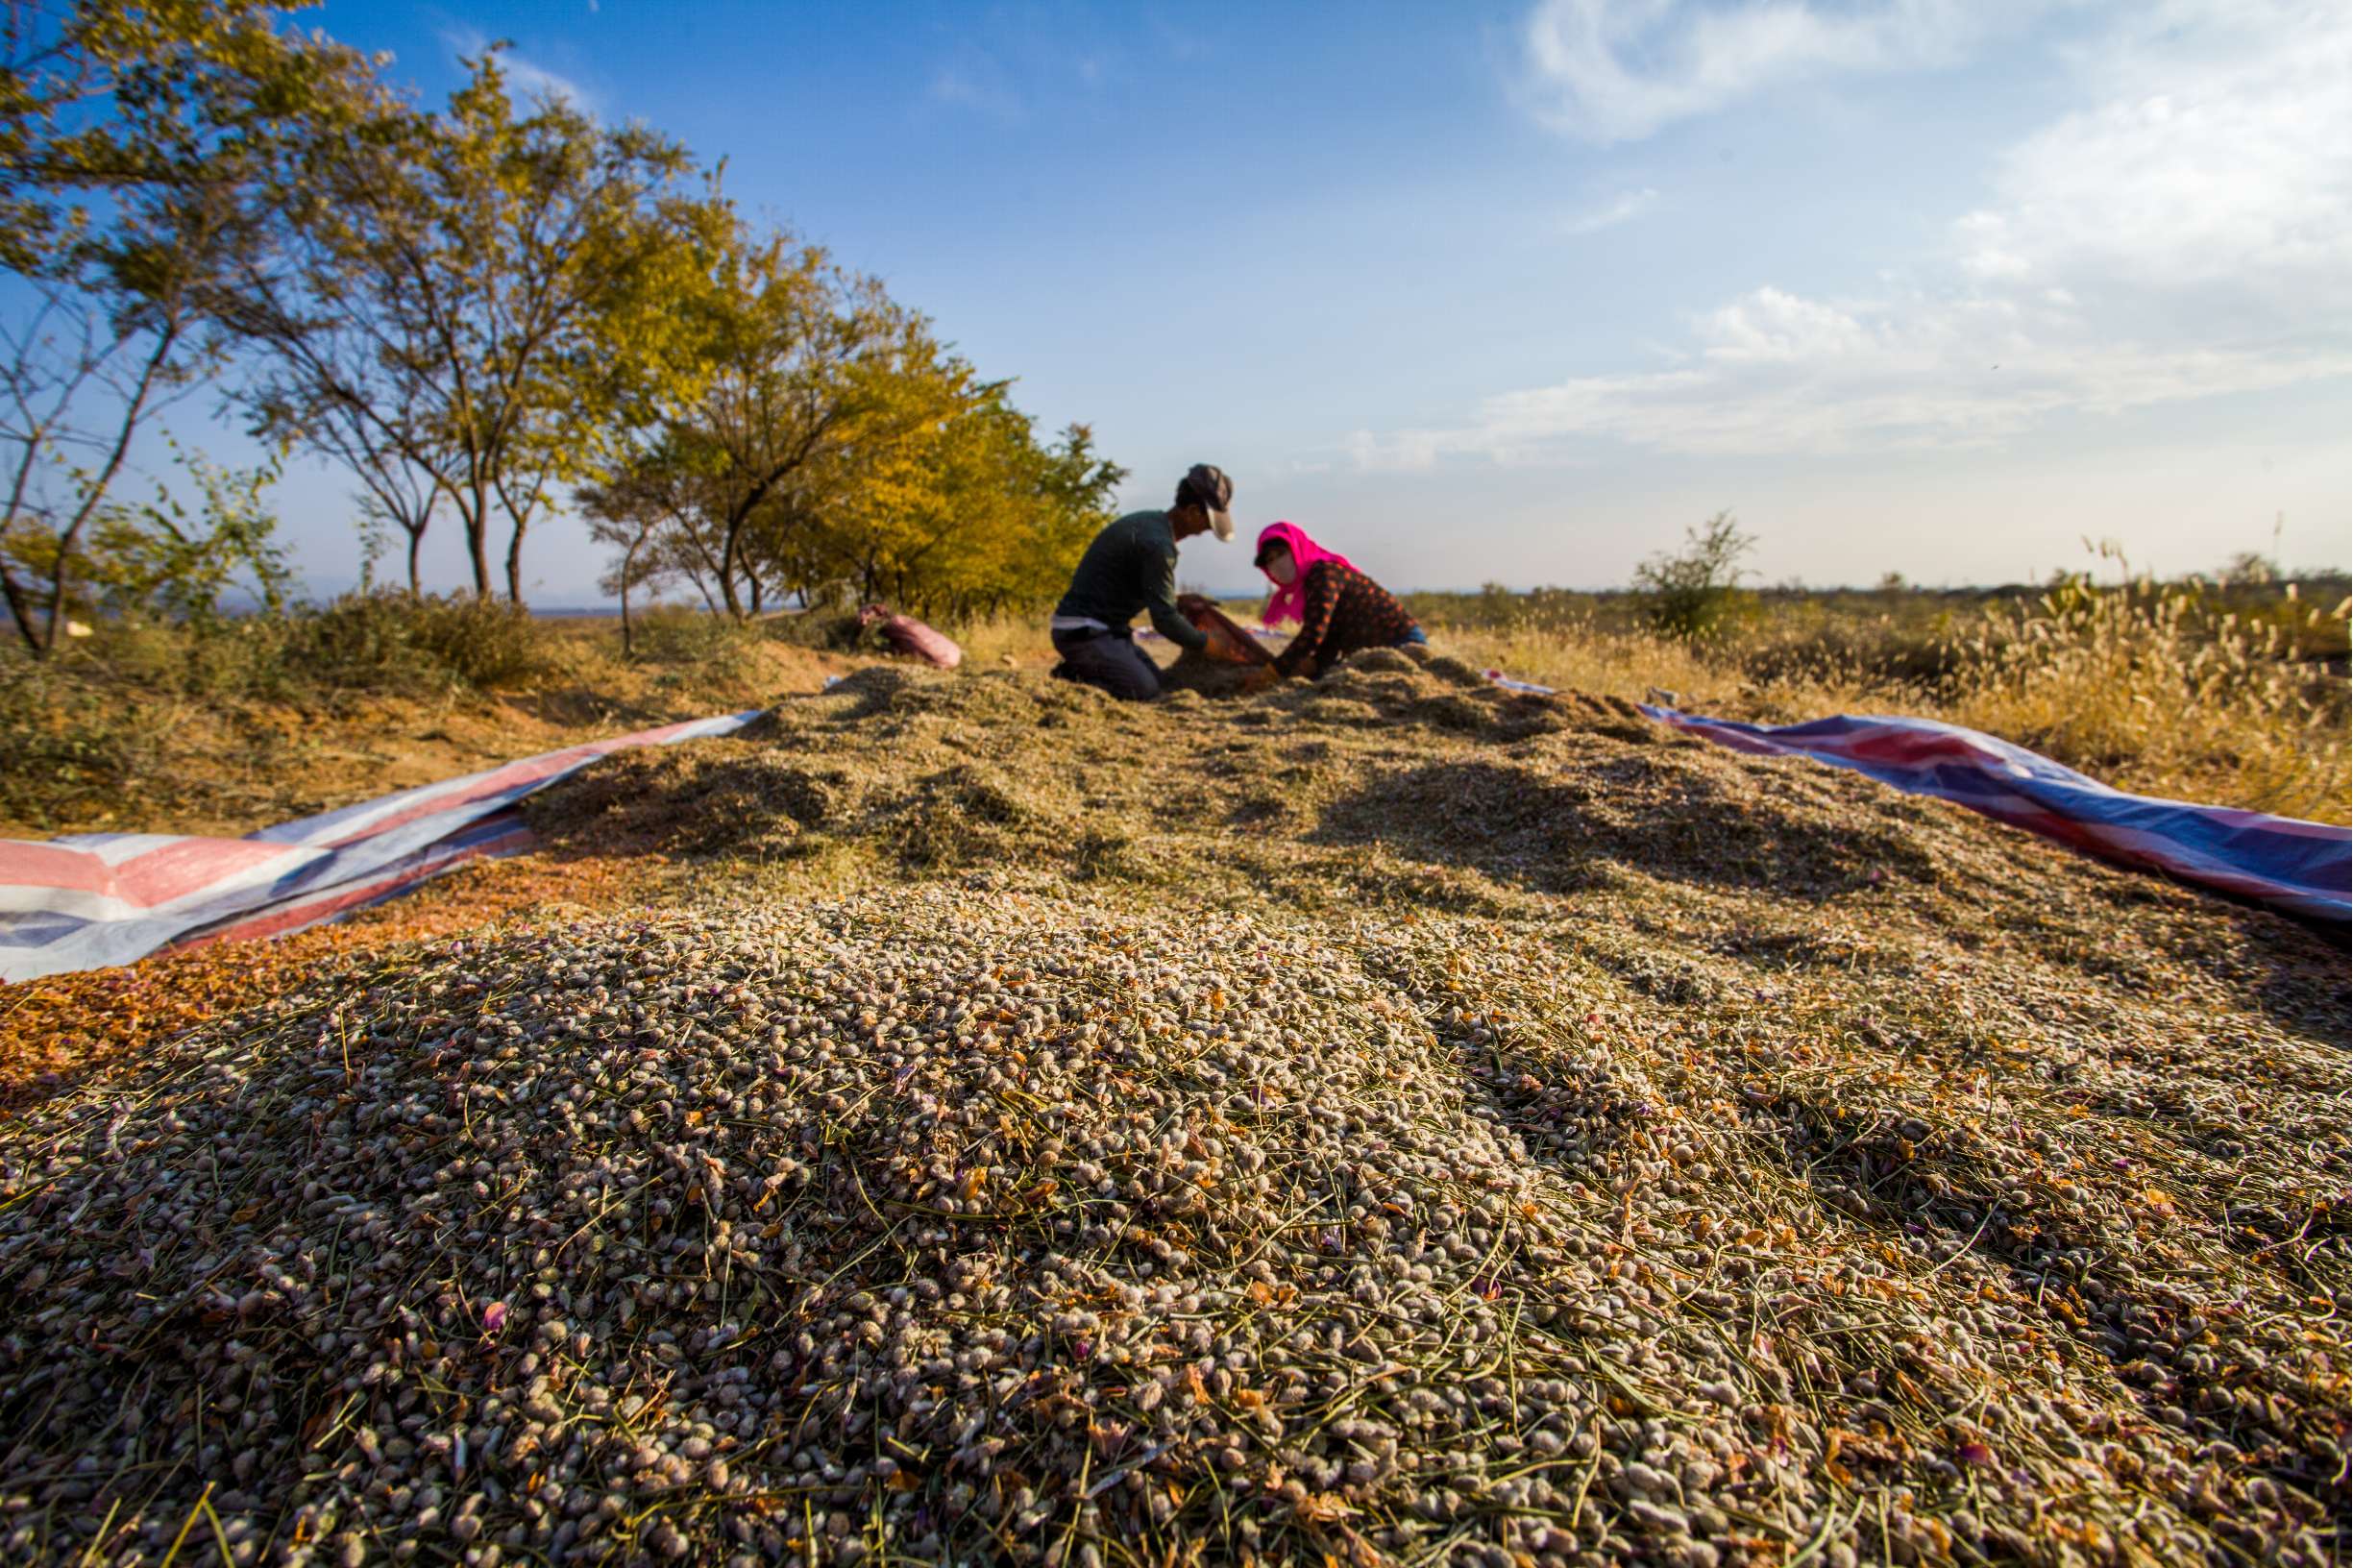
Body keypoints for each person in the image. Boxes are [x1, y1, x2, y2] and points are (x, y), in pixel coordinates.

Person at [1049, 463, 1235, 700]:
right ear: (1192, 512)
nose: (1209, 529)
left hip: (1108, 630)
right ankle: (1071, 679)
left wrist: (1178, 601)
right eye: (1209, 521)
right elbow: (1164, 619)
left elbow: (1136, 590)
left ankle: (1091, 666)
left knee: (1160, 682)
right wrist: (1207, 644)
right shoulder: (1159, 546)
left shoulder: (1151, 522)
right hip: (1084, 632)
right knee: (1142, 691)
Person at [1253, 521, 1423, 681]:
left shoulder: (1324, 574)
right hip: (1373, 652)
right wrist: (1316, 663)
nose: (1277, 563)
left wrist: (1275, 671)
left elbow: (1314, 633)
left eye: (1281, 553)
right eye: (1270, 560)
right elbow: (1331, 635)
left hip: (1402, 644)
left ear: (1297, 547)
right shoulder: (1310, 585)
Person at [857, 602, 962, 670]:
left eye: (866, 612)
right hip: (954, 653)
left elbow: (872, 643)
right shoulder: (903, 619)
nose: (862, 616)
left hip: (941, 658)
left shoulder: (890, 626)